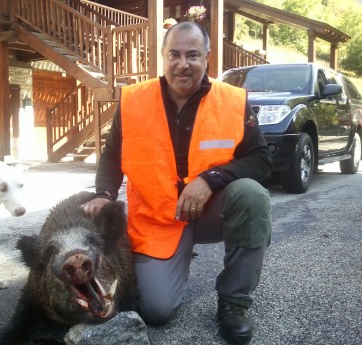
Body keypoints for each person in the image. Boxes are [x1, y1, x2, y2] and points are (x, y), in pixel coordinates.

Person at [82, 21, 272, 345]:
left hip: (211, 210)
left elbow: (260, 160)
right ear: (163, 57)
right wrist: (103, 193)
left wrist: (211, 179)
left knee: (252, 196)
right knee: (156, 311)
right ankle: (173, 268)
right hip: (157, 220)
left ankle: (234, 302)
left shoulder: (233, 101)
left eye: (193, 55)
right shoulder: (134, 101)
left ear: (207, 57)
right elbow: (112, 155)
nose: (183, 64)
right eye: (174, 55)